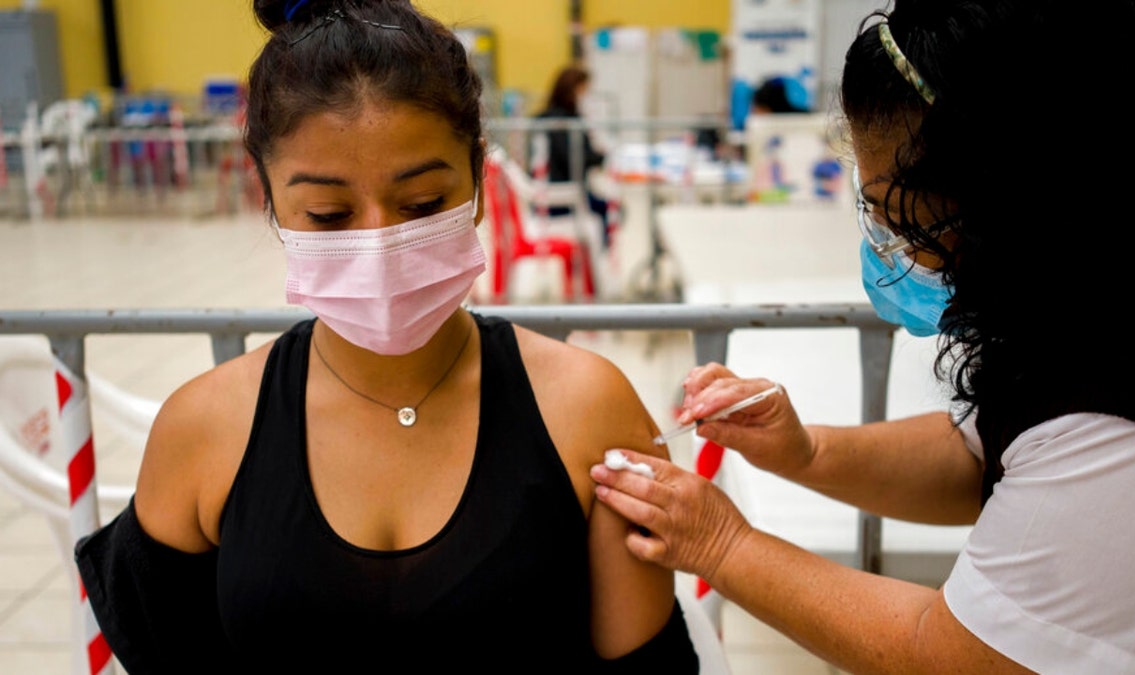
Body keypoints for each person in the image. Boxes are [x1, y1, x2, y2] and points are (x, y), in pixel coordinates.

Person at [73, 1, 699, 673]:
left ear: (478, 182)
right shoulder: (202, 431)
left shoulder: (588, 411)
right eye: (329, 213)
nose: (379, 243)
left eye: (423, 204)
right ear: (273, 204)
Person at [591, 1, 1135, 673]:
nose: (886, 247)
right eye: (872, 208)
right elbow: (986, 451)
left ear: (1020, 207)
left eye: (903, 221)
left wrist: (721, 543)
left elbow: (950, 657)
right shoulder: (1096, 302)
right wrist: (806, 450)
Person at [532, 64, 613, 248]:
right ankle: (596, 266)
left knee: (607, 206)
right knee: (608, 209)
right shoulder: (563, 122)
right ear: (573, 90)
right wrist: (599, 157)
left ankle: (595, 264)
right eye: (584, 90)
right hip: (561, 198)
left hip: (559, 192)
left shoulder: (548, 118)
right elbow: (573, 158)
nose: (586, 96)